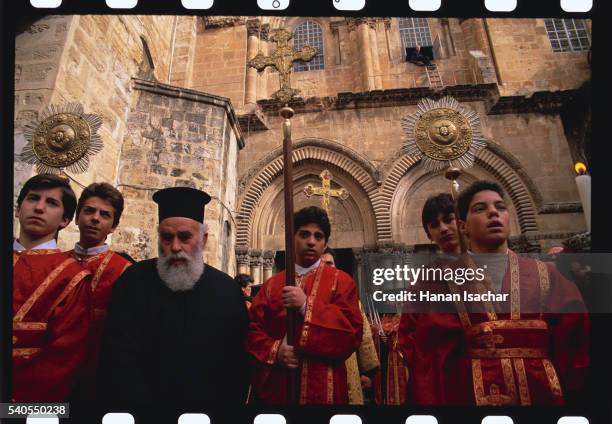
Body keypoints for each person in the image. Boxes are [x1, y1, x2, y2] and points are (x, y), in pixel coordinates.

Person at [399, 181, 589, 405]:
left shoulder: (548, 276)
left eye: (500, 207)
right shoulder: (437, 282)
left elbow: (577, 345)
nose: (493, 212)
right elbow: (428, 351)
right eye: (480, 209)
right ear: (464, 226)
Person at [99, 187, 249, 406]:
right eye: (167, 238)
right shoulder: (133, 282)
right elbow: (115, 356)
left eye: (185, 237)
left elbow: (236, 367)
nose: (175, 247)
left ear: (204, 239)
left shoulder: (226, 291)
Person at [246, 206, 363, 404]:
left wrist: (305, 306)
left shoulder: (342, 282)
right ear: (292, 238)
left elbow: (351, 334)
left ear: (325, 244)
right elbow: (252, 332)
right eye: (304, 234)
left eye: (318, 236)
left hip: (327, 391)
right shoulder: (271, 285)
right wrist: (276, 351)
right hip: (280, 390)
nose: (311, 241)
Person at [12, 173, 92, 401]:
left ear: (65, 220)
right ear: (18, 209)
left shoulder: (73, 277)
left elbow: (64, 358)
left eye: (51, 203)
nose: (39, 207)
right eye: (32, 198)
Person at [66, 183, 132, 399]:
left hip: (99, 377)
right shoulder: (55, 261)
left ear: (113, 226)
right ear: (76, 217)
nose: (95, 218)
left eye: (104, 214)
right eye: (89, 211)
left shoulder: (126, 271)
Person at [321, 247, 380, 405]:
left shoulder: (349, 297)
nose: (325, 268)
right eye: (320, 264)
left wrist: (368, 372)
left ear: (335, 266)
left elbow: (364, 335)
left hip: (349, 367)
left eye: (329, 263)